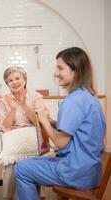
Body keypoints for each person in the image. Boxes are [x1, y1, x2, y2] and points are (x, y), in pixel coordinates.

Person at [14, 47, 106, 200]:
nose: (56, 73)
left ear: (75, 71)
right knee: (31, 163)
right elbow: (76, 130)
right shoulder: (90, 97)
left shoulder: (72, 101)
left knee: (22, 168)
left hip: (76, 173)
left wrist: (44, 121)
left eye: (60, 68)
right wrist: (51, 122)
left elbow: (61, 142)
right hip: (93, 171)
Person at [0, 66, 45, 200]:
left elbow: (39, 122)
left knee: (33, 163)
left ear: (25, 80)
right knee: (11, 164)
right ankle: (8, 197)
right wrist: (12, 110)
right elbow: (4, 127)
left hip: (32, 135)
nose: (14, 82)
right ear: (7, 84)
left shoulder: (35, 96)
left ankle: (37, 195)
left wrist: (24, 104)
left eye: (17, 78)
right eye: (10, 80)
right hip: (13, 136)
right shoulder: (3, 100)